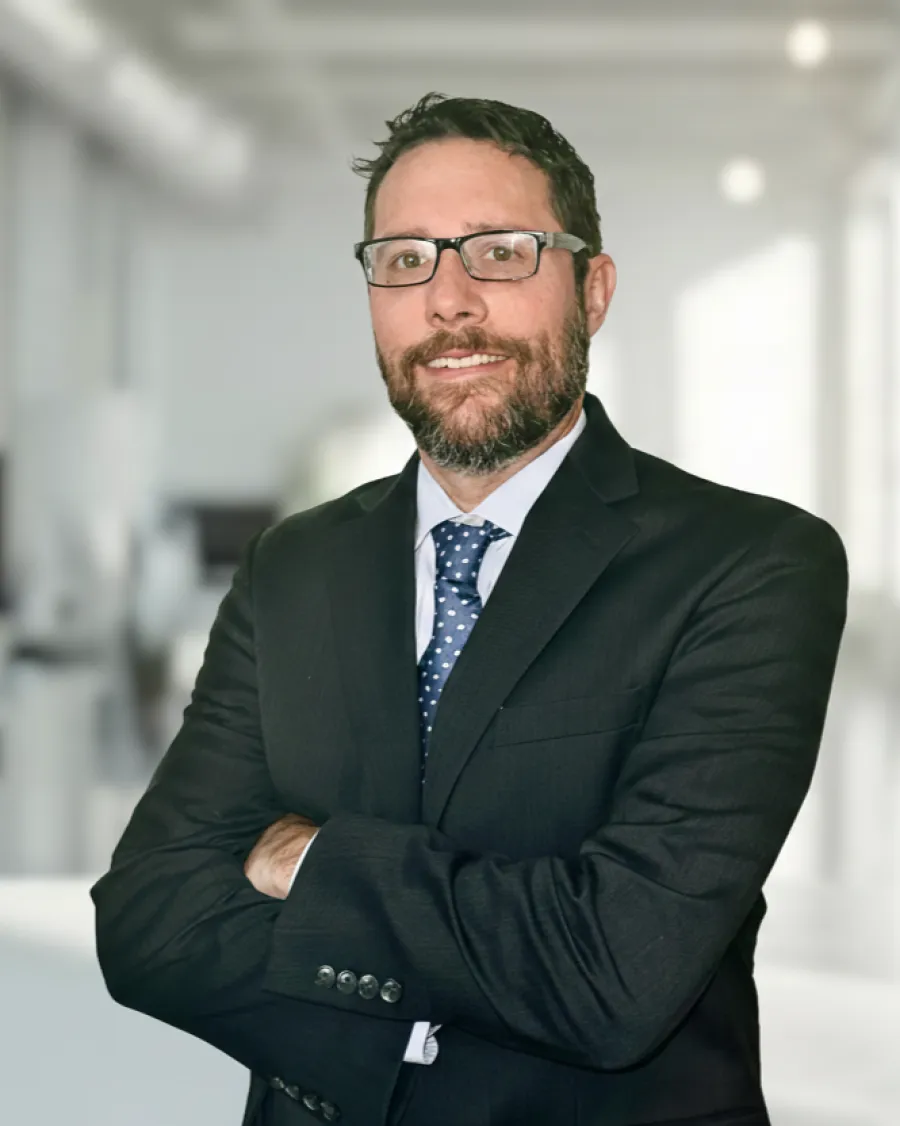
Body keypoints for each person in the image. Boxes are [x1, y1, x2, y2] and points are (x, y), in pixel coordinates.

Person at [91, 93, 848, 1126]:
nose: (448, 300)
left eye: (499, 252)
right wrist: (419, 1024)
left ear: (594, 288)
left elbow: (617, 974)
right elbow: (148, 918)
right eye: (404, 259)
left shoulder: (749, 565)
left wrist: (309, 858)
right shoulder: (294, 565)